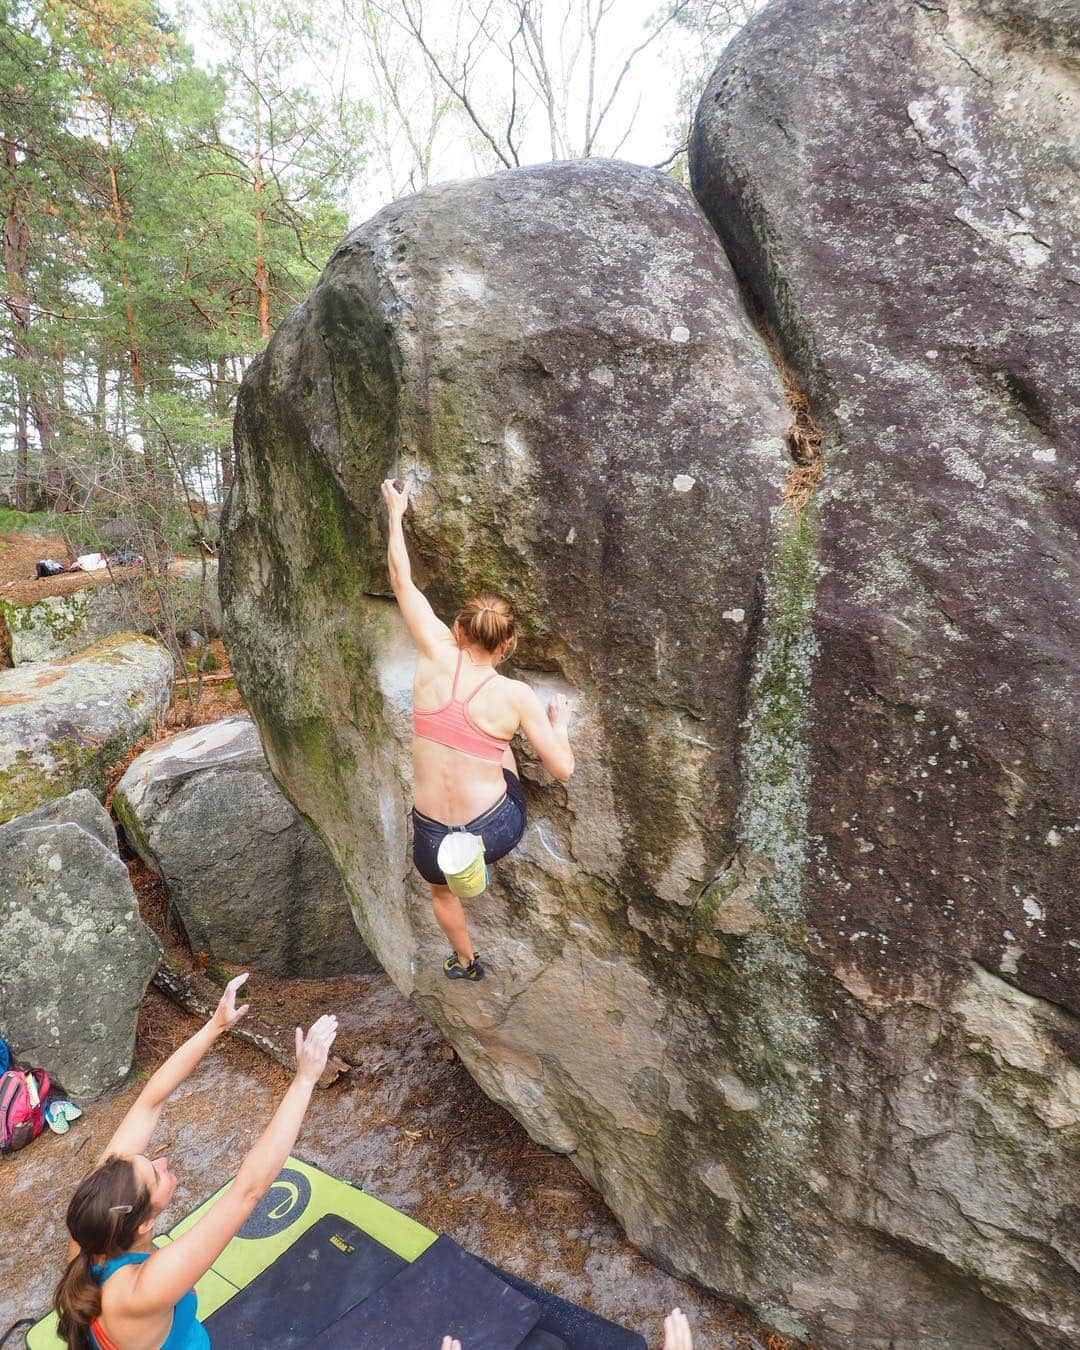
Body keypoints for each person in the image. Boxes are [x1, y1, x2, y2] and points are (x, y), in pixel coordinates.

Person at [54, 973, 338, 1350]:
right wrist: (304, 1081)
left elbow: (149, 1102)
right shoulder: (144, 1289)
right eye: (156, 1173)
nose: (163, 1160)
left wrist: (214, 1026)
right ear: (146, 1223)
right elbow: (248, 1192)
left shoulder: (90, 1226)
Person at [382, 478, 575, 982]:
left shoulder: (433, 651)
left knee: (441, 891)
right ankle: (478, 863)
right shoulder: (516, 696)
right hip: (492, 830)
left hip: (432, 840)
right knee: (500, 751)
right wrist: (559, 726)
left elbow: (402, 581)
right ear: (507, 647)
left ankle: (466, 962)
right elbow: (563, 769)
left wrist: (396, 513)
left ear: (458, 630)